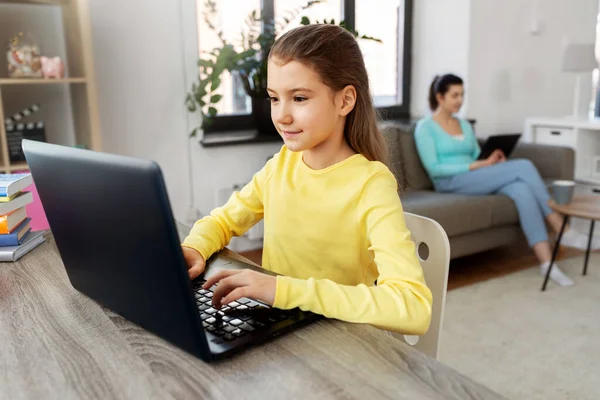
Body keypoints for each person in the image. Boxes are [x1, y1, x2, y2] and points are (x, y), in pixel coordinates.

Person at [180, 24, 432, 334]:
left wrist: (282, 290)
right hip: (277, 330)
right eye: (274, 99)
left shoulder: (371, 184)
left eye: (299, 98)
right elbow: (223, 221)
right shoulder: (281, 165)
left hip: (336, 341)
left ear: (345, 101)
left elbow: (412, 306)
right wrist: (195, 247)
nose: (282, 116)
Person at [414, 73, 599, 287]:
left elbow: (476, 155)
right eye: (454, 95)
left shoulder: (463, 125)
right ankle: (562, 228)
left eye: (462, 95)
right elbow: (434, 168)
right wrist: (477, 166)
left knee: (521, 188)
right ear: (440, 97)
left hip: (475, 176)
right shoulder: (425, 127)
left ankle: (547, 263)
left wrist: (490, 160)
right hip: (448, 182)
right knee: (524, 166)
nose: (460, 100)